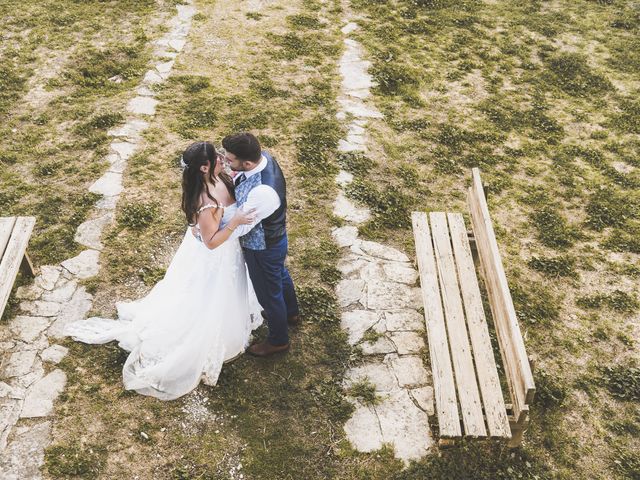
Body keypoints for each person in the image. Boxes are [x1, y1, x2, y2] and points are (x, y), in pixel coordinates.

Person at [64, 141, 261, 400]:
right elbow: (212, 243)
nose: (222, 158)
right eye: (217, 157)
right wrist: (234, 221)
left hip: (230, 252)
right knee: (209, 297)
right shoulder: (206, 201)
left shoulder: (221, 176)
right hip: (218, 256)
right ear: (204, 167)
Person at [221, 132, 299, 357]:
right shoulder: (261, 157)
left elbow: (243, 227)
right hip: (273, 241)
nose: (227, 162)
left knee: (268, 295)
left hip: (262, 247)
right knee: (280, 276)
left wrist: (212, 230)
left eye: (230, 160)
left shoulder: (263, 191)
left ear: (246, 162)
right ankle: (291, 313)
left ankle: (278, 340)